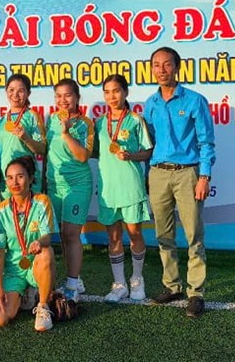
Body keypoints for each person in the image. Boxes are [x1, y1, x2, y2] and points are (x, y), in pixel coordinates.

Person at [143, 47, 215, 318]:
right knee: (163, 235)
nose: (161, 70)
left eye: (167, 64)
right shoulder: (151, 104)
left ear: (177, 67)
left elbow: (206, 141)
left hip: (188, 174)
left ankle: (196, 293)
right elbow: (148, 142)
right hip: (158, 174)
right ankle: (172, 287)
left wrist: (204, 176)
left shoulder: (195, 101)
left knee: (194, 235)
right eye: (156, 65)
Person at [93, 74, 153, 303]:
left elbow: (148, 151)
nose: (111, 96)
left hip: (131, 188)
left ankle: (137, 279)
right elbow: (93, 152)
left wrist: (131, 155)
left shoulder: (136, 120)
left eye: (116, 90)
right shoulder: (99, 123)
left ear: (125, 92)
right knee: (114, 236)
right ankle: (119, 285)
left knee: (135, 233)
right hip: (109, 191)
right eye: (107, 92)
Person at [0, 156, 57, 331]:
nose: (15, 182)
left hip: (35, 262)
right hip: (14, 269)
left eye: (20, 176)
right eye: (10, 178)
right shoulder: (2, 209)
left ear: (31, 177)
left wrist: (39, 242)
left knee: (45, 252)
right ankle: (27, 292)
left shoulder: (42, 201)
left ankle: (42, 306)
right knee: (0, 318)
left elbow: (47, 237)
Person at [45, 78, 94, 303]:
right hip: (55, 184)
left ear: (76, 98)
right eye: (58, 96)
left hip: (77, 184)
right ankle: (75, 279)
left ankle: (73, 285)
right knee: (62, 235)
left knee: (72, 234)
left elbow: (83, 156)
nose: (63, 100)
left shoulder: (85, 123)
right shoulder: (51, 119)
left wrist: (66, 133)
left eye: (68, 95)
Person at [0, 74, 46, 199]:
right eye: (11, 90)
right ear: (6, 91)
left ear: (28, 93)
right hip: (7, 181)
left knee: (31, 217)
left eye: (21, 91)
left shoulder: (32, 116)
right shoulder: (2, 120)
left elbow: (42, 149)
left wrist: (26, 138)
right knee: (8, 216)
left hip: (27, 180)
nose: (15, 95)